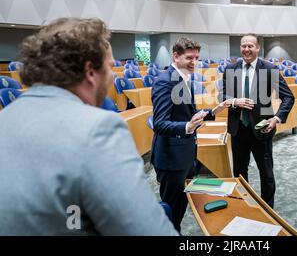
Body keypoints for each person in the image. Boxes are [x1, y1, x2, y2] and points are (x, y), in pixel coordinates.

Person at [0, 18, 178, 236]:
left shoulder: (5, 117)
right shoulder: (99, 129)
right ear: (90, 72)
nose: (113, 75)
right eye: (111, 67)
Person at [151, 37, 229, 232]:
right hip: (171, 159)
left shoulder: (183, 78)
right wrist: (187, 126)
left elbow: (186, 113)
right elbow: (160, 124)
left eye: (197, 58)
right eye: (189, 58)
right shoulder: (165, 82)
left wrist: (213, 112)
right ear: (176, 56)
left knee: (180, 208)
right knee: (171, 213)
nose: (194, 62)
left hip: (184, 155)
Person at [221, 34, 294, 208]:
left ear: (257, 48)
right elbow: (223, 95)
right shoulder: (231, 69)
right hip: (238, 129)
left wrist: (276, 118)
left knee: (266, 172)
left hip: (262, 129)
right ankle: (243, 205)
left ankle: (268, 208)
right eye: (243, 46)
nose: (246, 49)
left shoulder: (269, 69)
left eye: (250, 46)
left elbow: (288, 97)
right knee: (239, 171)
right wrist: (233, 101)